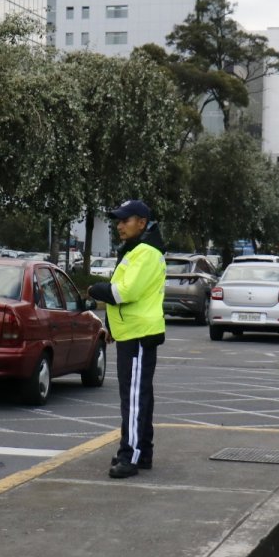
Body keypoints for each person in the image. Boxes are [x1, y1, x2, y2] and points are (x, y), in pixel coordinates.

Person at [88, 200, 166, 479]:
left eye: (125, 220)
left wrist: (95, 289)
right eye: (118, 221)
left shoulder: (145, 252)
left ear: (142, 223)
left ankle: (129, 455)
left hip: (138, 335)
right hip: (133, 332)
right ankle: (142, 451)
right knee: (140, 395)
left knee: (133, 398)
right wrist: (111, 326)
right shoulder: (137, 250)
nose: (119, 226)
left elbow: (124, 292)